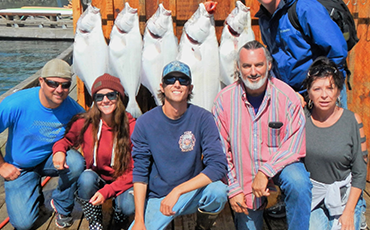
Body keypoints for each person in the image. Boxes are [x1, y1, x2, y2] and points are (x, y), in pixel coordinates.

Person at [212, 40, 312, 230]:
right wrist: (233, 189)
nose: (253, 71)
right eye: (247, 66)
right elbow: (222, 151)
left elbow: (294, 144)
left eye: (258, 64)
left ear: (269, 65)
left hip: (281, 166)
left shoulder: (287, 96)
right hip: (244, 178)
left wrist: (265, 171)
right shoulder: (223, 101)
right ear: (238, 68)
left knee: (299, 183)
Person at [129, 60, 228, 230]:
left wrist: (178, 191)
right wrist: (139, 220)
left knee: (218, 191)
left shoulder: (203, 118)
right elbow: (140, 171)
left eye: (183, 80)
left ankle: (202, 226)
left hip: (193, 192)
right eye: (170, 79)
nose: (176, 84)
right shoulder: (145, 122)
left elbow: (218, 166)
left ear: (190, 88)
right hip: (159, 197)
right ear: (162, 86)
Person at [246, 0, 348, 107]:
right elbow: (275, 59)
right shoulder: (264, 19)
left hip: (323, 94)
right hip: (294, 98)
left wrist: (319, 89)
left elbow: (337, 50)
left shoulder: (304, 8)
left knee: (334, 131)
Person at [0, 59, 85, 230]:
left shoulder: (73, 109)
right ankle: (33, 192)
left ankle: (61, 205)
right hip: (20, 167)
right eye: (52, 83)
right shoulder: (15, 104)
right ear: (41, 81)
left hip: (50, 159)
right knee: (23, 224)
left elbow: (93, 130)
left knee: (76, 163)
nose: (59, 90)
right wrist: (2, 166)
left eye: (65, 85)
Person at [53, 73, 136, 230]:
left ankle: (120, 215)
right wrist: (59, 151)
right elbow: (65, 141)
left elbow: (136, 169)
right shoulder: (84, 122)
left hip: (123, 179)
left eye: (111, 95)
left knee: (128, 207)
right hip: (97, 176)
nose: (105, 100)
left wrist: (109, 191)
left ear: (119, 97)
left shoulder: (132, 127)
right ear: (94, 100)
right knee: (85, 179)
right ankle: (94, 218)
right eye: (99, 96)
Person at [302, 57, 367, 230]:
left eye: (330, 88)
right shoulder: (301, 119)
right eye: (317, 89)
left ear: (339, 91)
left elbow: (360, 172)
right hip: (314, 197)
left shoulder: (352, 121)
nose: (324, 95)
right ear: (308, 92)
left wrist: (349, 211)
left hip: (344, 197)